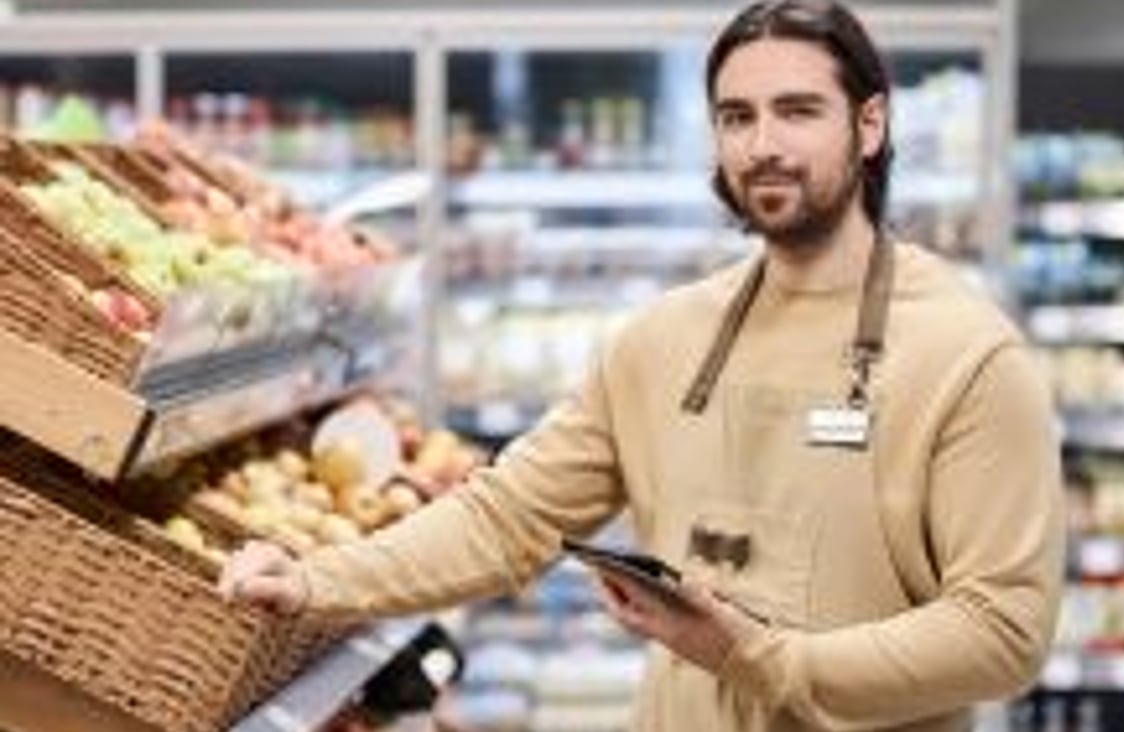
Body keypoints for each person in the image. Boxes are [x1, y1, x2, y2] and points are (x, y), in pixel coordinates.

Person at [219, 1, 1065, 729]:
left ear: (870, 124)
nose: (763, 144)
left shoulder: (967, 357)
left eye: (798, 110)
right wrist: (313, 579)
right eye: (737, 117)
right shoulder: (664, 339)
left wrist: (765, 660)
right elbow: (507, 519)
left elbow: (1003, 631)